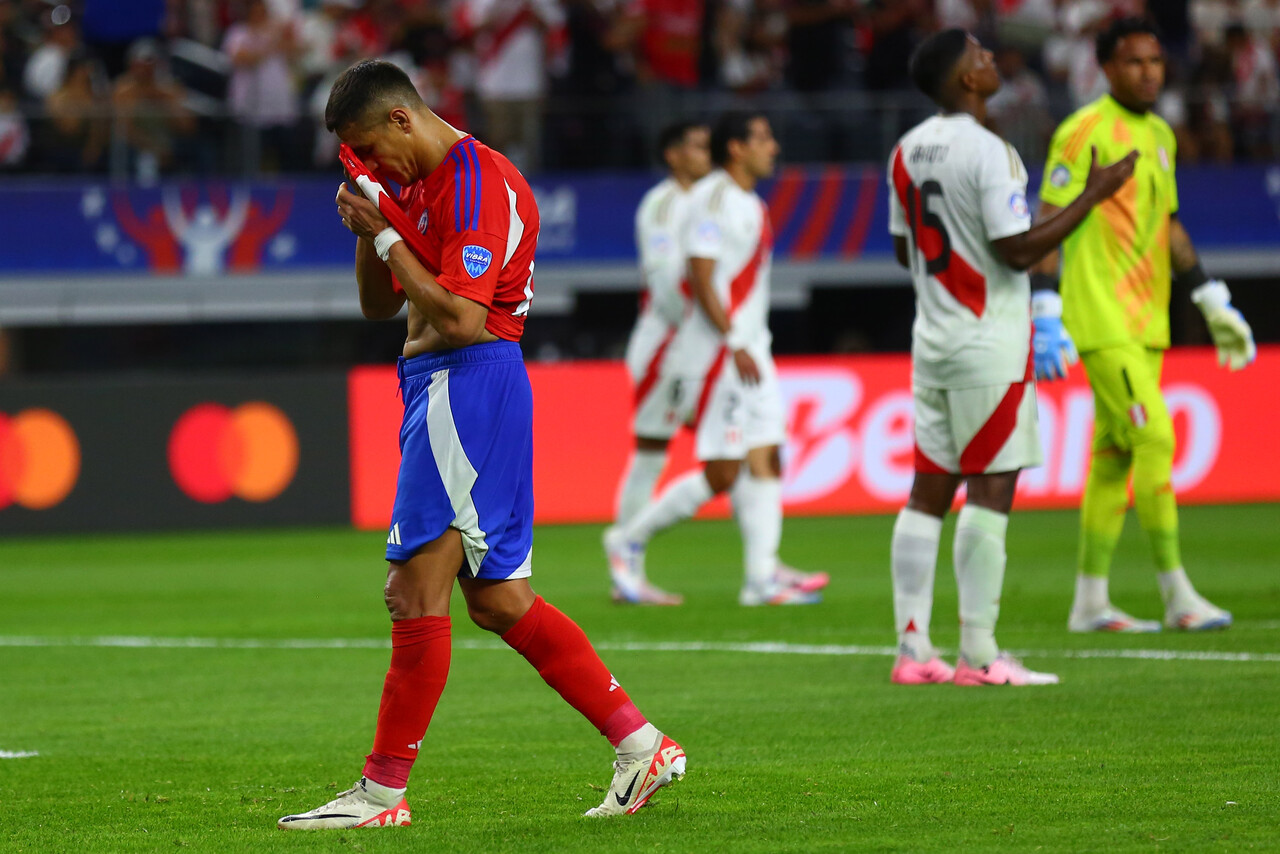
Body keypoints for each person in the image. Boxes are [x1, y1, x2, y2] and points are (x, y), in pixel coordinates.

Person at [277, 60, 685, 830]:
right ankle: (642, 746)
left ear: (403, 118)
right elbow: (376, 306)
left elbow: (462, 320)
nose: (370, 165)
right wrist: (372, 219)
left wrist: (389, 231)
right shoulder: (416, 185)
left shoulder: (476, 181)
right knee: (499, 601)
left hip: (466, 383)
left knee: (411, 592)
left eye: (371, 150)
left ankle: (382, 794)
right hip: (438, 390)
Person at [886, 28, 1137, 686]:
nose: (992, 59)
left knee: (926, 494)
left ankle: (913, 653)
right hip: (989, 342)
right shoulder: (991, 151)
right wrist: (1095, 193)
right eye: (980, 55)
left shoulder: (906, 151)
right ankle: (979, 655)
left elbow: (902, 249)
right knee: (991, 490)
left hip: (933, 341)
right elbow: (1017, 250)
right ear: (966, 79)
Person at [1031, 17, 1256, 635]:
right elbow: (1049, 218)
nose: (1149, 71)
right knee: (1155, 440)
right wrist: (1045, 306)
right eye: (1134, 62)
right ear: (1105, 68)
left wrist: (1210, 298)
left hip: (1148, 318)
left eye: (1156, 60)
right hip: (1099, 317)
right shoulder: (1083, 132)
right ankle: (1177, 594)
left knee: (1111, 459)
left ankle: (1090, 602)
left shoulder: (1160, 133)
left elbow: (1170, 225)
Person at [604, 111, 829, 607]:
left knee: (766, 454)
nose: (773, 147)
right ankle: (628, 541)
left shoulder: (746, 202)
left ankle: (761, 576)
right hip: (708, 352)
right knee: (709, 466)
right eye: (764, 138)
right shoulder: (702, 202)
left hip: (748, 348)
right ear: (738, 148)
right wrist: (728, 339)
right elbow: (693, 277)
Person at [608, 120, 711, 605]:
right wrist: (702, 328)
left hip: (692, 347)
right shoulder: (662, 205)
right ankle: (625, 562)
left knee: (745, 450)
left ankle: (765, 566)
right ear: (672, 155)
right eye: (695, 145)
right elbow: (666, 283)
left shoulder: (706, 201)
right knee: (652, 454)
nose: (704, 152)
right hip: (665, 349)